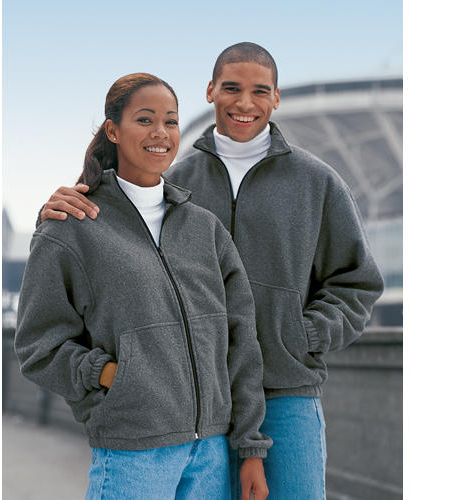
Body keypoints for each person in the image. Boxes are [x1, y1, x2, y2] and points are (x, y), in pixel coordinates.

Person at [37, 43, 385, 500]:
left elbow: (357, 282)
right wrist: (58, 209)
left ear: (276, 97)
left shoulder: (317, 181)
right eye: (232, 88)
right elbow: (113, 224)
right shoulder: (173, 182)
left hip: (285, 391)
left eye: (260, 91)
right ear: (210, 91)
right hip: (195, 405)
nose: (245, 102)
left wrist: (302, 335)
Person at [15, 72, 272, 500]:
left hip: (211, 453)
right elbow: (38, 346)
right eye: (145, 119)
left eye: (171, 121)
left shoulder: (205, 229)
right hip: (133, 453)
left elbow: (240, 339)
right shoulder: (72, 227)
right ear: (113, 130)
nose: (161, 133)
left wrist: (250, 447)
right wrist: (113, 377)